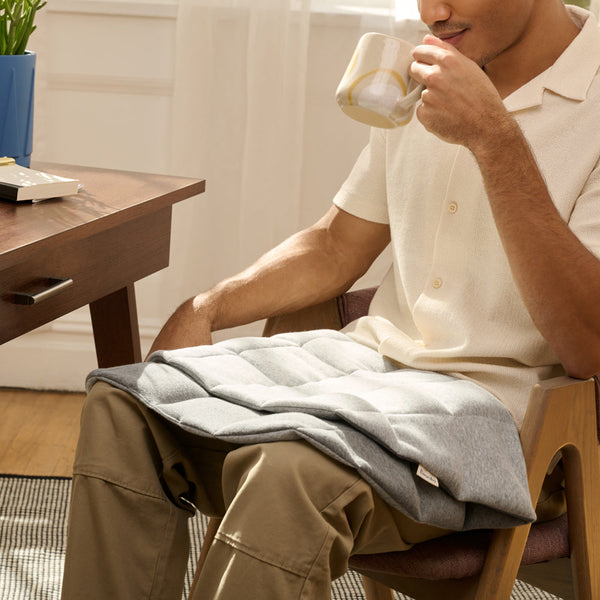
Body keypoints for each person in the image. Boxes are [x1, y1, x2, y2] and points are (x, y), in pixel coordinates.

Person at [60, 1, 600, 598]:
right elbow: (337, 243)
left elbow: (590, 347)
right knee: (125, 407)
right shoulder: (436, 72)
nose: (432, 10)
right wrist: (206, 307)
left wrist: (495, 140)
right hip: (369, 379)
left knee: (290, 470)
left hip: (503, 427)